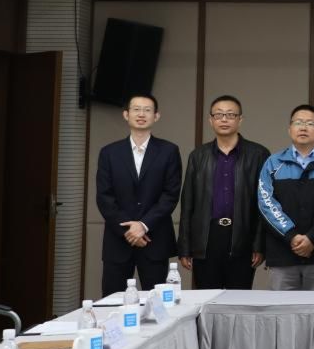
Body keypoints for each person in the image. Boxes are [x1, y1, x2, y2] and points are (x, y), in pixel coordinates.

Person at [177, 95, 270, 290]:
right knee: (206, 298)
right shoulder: (198, 156)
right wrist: (185, 247)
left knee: (239, 299)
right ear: (211, 120)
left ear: (240, 120)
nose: (224, 119)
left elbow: (264, 204)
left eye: (230, 114)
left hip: (242, 237)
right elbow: (188, 204)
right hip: (206, 238)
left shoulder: (258, 154)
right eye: (218, 115)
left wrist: (259, 245)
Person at [95, 93, 182, 295]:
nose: (141, 114)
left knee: (158, 304)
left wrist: (143, 225)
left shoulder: (169, 151)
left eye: (147, 110)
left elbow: (170, 195)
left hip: (154, 239)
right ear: (126, 114)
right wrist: (129, 230)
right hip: (118, 240)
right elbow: (104, 197)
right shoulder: (109, 152)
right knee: (112, 301)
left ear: (156, 116)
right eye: (136, 109)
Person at [257, 105, 314, 291]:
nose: (303, 127)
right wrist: (291, 236)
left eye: (310, 123)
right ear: (289, 129)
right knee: (280, 308)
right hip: (282, 252)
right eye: (298, 122)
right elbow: (266, 203)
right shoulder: (273, 163)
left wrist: (312, 238)